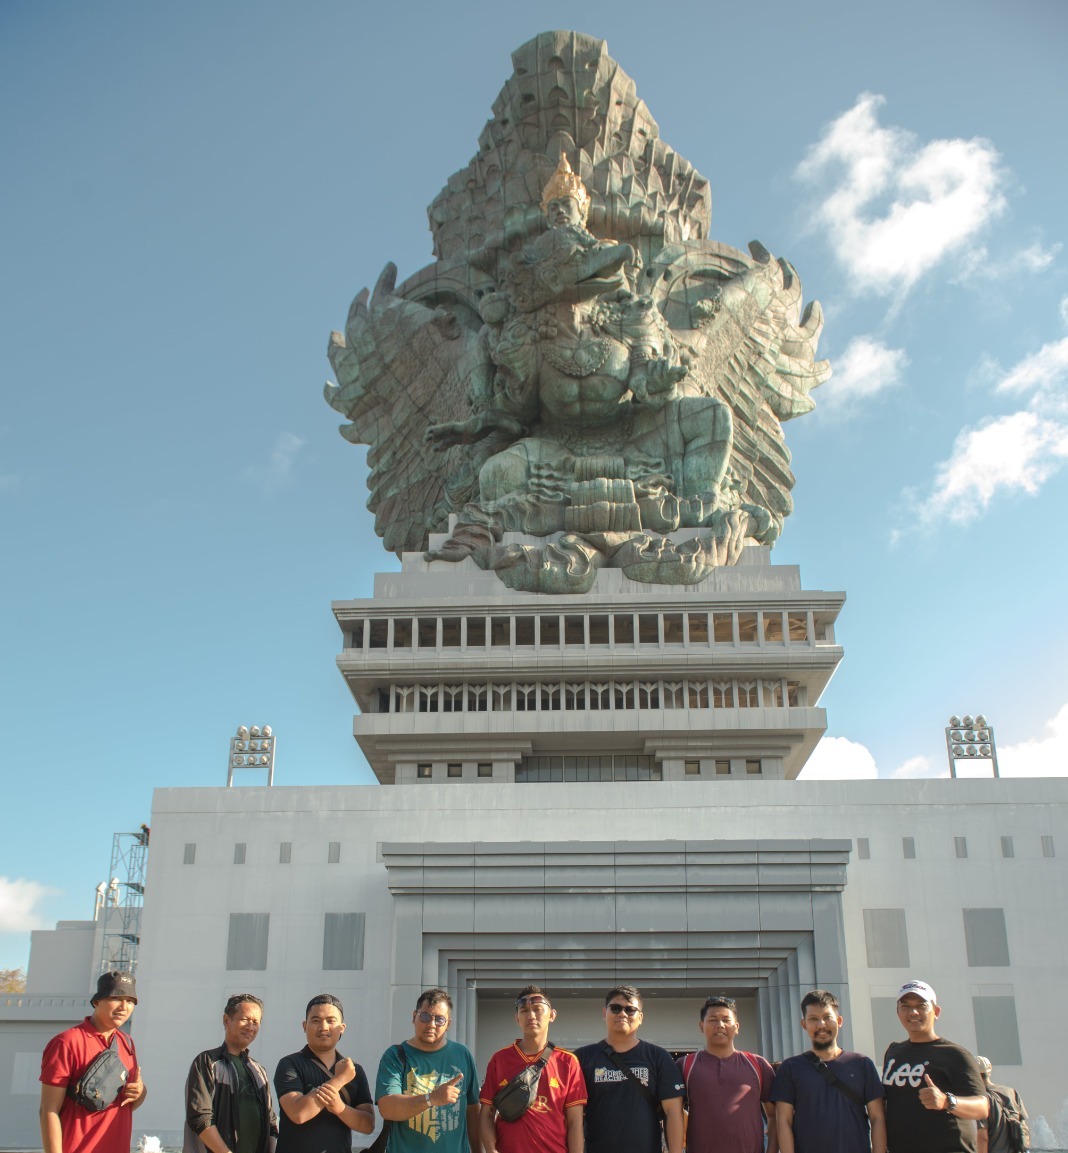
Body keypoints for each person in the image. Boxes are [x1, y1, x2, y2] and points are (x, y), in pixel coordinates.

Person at [39, 970, 146, 1153]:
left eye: (130, 1001)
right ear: (96, 1001)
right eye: (116, 998)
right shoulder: (67, 1042)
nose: (123, 1006)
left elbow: (126, 1105)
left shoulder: (127, 1043)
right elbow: (49, 1110)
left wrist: (140, 1093)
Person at [770, 989, 886, 1153]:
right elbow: (783, 1121)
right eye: (813, 1019)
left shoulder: (862, 1064)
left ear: (839, 1021)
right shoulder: (790, 1068)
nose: (821, 1024)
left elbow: (877, 1118)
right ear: (804, 1024)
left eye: (827, 1017)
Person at [881, 980, 988, 1153]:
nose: (913, 1012)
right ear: (898, 1012)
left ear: (936, 1011)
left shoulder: (955, 1054)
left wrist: (947, 1101)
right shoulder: (894, 1052)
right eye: (905, 1006)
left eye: (921, 1005)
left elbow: (983, 1108)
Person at [575, 984, 684, 1153]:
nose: (622, 1014)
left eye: (630, 1010)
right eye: (615, 1008)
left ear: (640, 1017)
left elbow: (673, 1113)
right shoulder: (582, 1058)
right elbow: (572, 1117)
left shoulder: (658, 1057)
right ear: (604, 1013)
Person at [479, 984, 586, 1153]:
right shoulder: (499, 1059)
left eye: (537, 1009)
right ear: (517, 1018)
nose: (531, 1016)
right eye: (524, 1011)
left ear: (552, 1015)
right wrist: (491, 1150)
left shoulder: (568, 1062)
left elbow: (575, 1123)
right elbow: (486, 1114)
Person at [375, 988, 479, 1153]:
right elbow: (387, 1108)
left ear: (448, 1024)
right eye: (425, 1016)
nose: (431, 1025)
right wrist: (432, 1098)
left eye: (439, 1020)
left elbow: (473, 1109)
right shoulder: (395, 1055)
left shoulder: (462, 1054)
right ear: (414, 1017)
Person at [274, 995, 374, 1153]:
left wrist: (340, 1107)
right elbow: (299, 1113)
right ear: (305, 1026)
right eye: (315, 1020)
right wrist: (339, 1080)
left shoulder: (354, 1070)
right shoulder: (290, 1064)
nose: (323, 1027)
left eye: (331, 1021)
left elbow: (368, 1125)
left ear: (342, 1028)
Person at [678, 994, 778, 1153]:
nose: (720, 1025)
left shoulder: (758, 1065)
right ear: (701, 1025)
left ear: (737, 1027)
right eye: (712, 1020)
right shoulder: (685, 1066)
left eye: (726, 1020)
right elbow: (673, 1114)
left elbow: (774, 1116)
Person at [184, 993, 278, 1153]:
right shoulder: (207, 1061)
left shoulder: (259, 1071)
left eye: (256, 1022)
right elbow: (200, 1117)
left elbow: (271, 1122)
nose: (251, 1027)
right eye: (245, 1019)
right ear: (226, 1020)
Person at [975, 1056, 1029, 1153]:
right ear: (989, 1072)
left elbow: (983, 1137)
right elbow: (1024, 1128)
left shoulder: (981, 1099)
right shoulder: (1013, 1093)